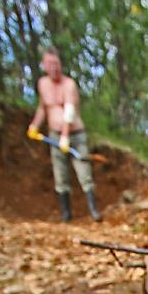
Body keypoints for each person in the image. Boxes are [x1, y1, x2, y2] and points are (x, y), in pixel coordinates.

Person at [27, 46, 101, 222]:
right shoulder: (43, 84)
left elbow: (69, 111)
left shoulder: (69, 85)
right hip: (54, 135)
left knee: (84, 172)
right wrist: (35, 125)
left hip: (75, 135)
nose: (53, 67)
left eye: (56, 63)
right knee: (60, 175)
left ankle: (94, 211)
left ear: (60, 64)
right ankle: (66, 215)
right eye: (49, 63)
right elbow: (43, 108)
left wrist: (65, 136)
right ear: (44, 65)